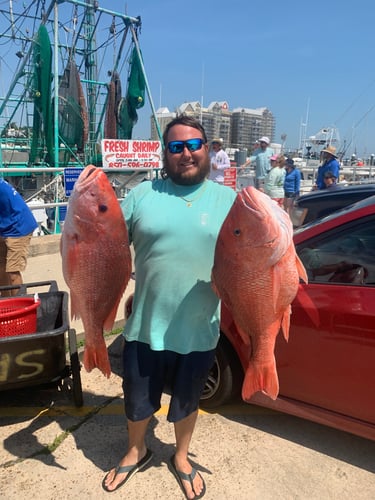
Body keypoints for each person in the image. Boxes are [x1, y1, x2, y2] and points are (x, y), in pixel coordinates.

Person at [102, 116, 237, 498]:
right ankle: (136, 449)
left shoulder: (228, 200)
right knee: (137, 398)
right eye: (176, 147)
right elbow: (105, 242)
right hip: (146, 323)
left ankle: (180, 456)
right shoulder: (143, 195)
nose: (186, 153)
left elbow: (251, 254)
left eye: (193, 144)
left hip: (199, 326)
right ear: (165, 154)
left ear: (207, 148)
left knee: (187, 400)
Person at [0, 178, 38, 296]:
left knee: (12, 271)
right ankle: (6, 300)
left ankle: (20, 303)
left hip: (18, 227)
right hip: (5, 225)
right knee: (1, 266)